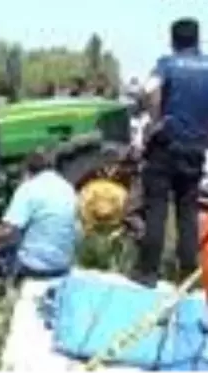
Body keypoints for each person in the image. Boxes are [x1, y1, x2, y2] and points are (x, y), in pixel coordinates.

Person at [132, 17, 208, 287]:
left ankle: (147, 272)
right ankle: (187, 275)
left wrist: (154, 120)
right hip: (195, 149)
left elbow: (148, 91)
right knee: (187, 213)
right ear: (197, 39)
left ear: (173, 40)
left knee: (157, 209)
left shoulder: (167, 64)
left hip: (166, 146)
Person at [0, 149, 81, 283]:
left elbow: (8, 231)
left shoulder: (28, 188)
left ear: (27, 171)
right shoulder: (67, 187)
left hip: (35, 267)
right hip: (64, 264)